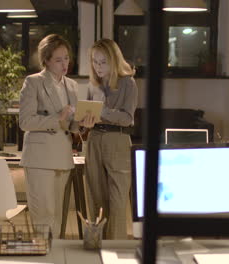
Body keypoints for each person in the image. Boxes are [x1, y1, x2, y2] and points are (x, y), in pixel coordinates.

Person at [19, 34, 79, 238]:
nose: (65, 64)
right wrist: (57, 118)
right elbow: (25, 121)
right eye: (58, 59)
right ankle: (43, 257)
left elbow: (71, 125)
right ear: (46, 60)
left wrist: (82, 124)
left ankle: (55, 257)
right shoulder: (33, 82)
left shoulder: (71, 85)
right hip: (39, 158)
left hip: (62, 156)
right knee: (44, 216)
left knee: (58, 217)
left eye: (67, 58)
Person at [82, 38, 138, 239]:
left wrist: (103, 112)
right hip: (95, 140)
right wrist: (83, 122)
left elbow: (127, 118)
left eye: (103, 62)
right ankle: (97, 249)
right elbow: (85, 121)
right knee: (96, 201)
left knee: (117, 202)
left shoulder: (127, 83)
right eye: (95, 62)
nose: (98, 67)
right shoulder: (92, 86)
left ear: (114, 60)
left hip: (118, 141)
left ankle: (116, 252)